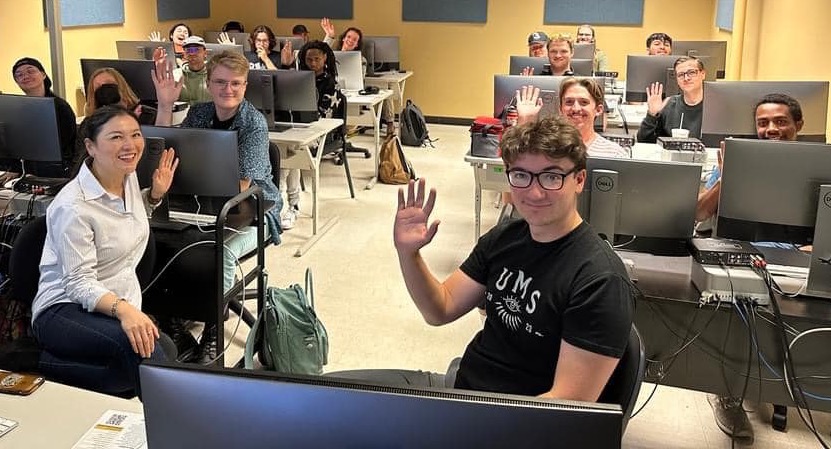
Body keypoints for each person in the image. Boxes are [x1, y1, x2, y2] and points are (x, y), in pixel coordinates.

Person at [393, 116, 635, 397]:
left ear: (579, 179)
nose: (533, 191)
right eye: (520, 175)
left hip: (516, 419)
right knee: (335, 399)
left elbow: (565, 407)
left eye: (551, 176)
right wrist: (408, 255)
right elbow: (440, 309)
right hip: (465, 387)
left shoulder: (600, 280)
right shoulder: (504, 239)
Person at [31, 105, 178, 398]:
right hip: (63, 308)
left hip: (113, 304)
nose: (129, 145)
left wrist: (155, 196)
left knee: (164, 351)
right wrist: (125, 311)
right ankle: (183, 429)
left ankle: (50, 369)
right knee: (139, 351)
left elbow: (123, 226)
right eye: (115, 137)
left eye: (135, 134)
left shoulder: (127, 176)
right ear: (91, 146)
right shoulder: (73, 206)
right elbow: (78, 284)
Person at [153, 50, 282, 362]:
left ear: (245, 86)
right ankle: (173, 325)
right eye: (221, 82)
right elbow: (164, 152)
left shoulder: (253, 124)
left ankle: (213, 330)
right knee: (159, 242)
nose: (229, 89)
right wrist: (166, 105)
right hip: (202, 206)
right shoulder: (198, 114)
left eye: (236, 83)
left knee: (219, 253)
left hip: (253, 214)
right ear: (208, 84)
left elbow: (240, 188)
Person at [695, 94, 804, 443]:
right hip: (742, 257)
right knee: (735, 314)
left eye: (780, 121)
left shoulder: (820, 162)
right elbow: (699, 215)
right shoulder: (734, 159)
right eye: (763, 123)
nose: (771, 129)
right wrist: (728, 176)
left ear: (798, 125)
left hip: (800, 260)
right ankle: (728, 392)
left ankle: (792, 384)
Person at [279, 41, 339, 230]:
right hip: (296, 129)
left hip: (321, 133)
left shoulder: (329, 82)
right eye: (308, 59)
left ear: (325, 59)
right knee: (286, 154)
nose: (313, 63)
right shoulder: (299, 78)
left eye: (317, 59)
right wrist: (287, 67)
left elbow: (322, 115)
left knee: (285, 158)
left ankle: (279, 207)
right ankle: (290, 205)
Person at [514, 79, 628, 158]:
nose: (576, 108)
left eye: (584, 102)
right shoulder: (546, 145)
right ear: (560, 109)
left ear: (598, 109)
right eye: (569, 102)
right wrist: (525, 120)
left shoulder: (615, 153)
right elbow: (518, 162)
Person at [11, 57, 78, 176]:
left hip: (56, 171)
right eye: (19, 75)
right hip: (27, 170)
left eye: (30, 71)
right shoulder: (17, 111)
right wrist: (15, 169)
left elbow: (62, 146)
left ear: (43, 75)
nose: (25, 76)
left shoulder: (59, 107)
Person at [636, 56, 705, 143]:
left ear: (703, 74)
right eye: (680, 75)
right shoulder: (669, 104)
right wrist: (652, 115)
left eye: (691, 72)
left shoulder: (715, 105)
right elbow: (644, 141)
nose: (686, 78)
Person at [170, 36, 211, 105]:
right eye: (189, 50)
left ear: (205, 53)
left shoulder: (214, 74)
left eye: (196, 50)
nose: (192, 54)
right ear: (184, 54)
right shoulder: (175, 75)